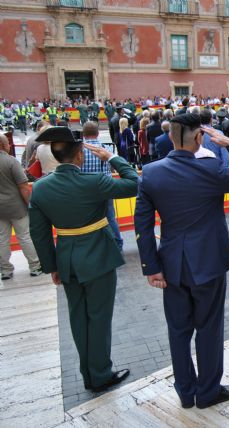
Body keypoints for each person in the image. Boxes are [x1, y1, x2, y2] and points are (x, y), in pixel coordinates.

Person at [134, 113, 229, 410]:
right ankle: (207, 392)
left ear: (170, 137)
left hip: (171, 264)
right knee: (208, 329)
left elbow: (142, 226)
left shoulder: (151, 173)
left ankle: (185, 392)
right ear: (199, 138)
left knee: (178, 331)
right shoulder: (210, 169)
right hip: (207, 261)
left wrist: (151, 267)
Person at [29, 126, 138, 392]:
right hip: (98, 256)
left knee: (78, 318)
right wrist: (111, 158)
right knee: (99, 317)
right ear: (79, 156)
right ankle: (100, 374)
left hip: (67, 259)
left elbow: (39, 234)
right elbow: (133, 183)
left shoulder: (40, 188)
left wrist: (51, 266)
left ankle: (88, 374)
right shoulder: (94, 182)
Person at [0, 134, 41, 280]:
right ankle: (35, 266)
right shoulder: (11, 162)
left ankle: (5, 270)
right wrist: (30, 204)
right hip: (16, 207)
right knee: (24, 236)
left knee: (2, 239)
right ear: (5, 145)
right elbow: (23, 186)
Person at [81, 121, 124, 251]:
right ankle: (117, 244)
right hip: (106, 186)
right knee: (110, 217)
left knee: (89, 219)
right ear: (98, 133)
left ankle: (94, 246)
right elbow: (112, 167)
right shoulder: (106, 148)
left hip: (87, 188)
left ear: (83, 134)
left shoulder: (80, 151)